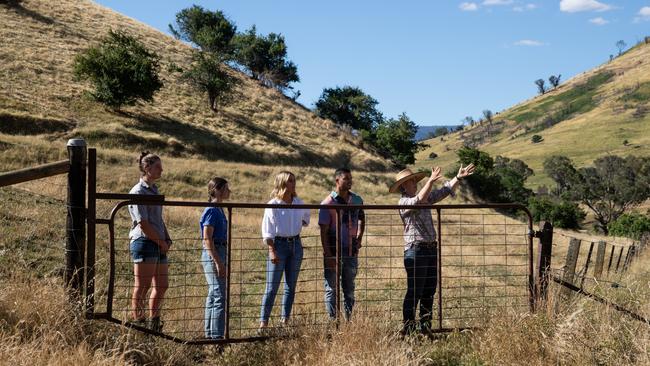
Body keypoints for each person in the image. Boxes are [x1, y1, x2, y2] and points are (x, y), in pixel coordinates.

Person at [389, 164, 475, 336]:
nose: (414, 183)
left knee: (429, 290)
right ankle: (409, 328)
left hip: (429, 249)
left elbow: (442, 192)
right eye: (411, 181)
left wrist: (457, 178)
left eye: (414, 180)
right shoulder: (403, 202)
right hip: (416, 249)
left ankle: (425, 328)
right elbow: (418, 201)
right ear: (404, 186)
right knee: (415, 291)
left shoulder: (425, 197)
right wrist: (430, 181)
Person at [259, 171, 310, 331]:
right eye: (289, 181)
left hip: (296, 244)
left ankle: (284, 321)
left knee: (290, 285)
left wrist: (297, 223)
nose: (293, 184)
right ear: (282, 183)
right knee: (272, 286)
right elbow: (267, 230)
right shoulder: (273, 204)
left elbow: (306, 219)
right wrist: (271, 250)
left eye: (294, 180)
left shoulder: (299, 203)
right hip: (279, 245)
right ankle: (263, 323)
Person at [127, 151, 172, 332]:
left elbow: (157, 220)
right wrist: (161, 241)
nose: (161, 170)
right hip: (145, 242)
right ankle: (139, 324)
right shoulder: (138, 191)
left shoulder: (154, 190)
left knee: (162, 285)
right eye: (157, 167)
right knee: (143, 286)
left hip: (158, 241)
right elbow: (143, 223)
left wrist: (165, 238)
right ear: (147, 168)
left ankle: (154, 323)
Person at [319, 168, 365, 320]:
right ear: (337, 181)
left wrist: (359, 238)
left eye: (350, 178)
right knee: (332, 289)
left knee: (349, 287)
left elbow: (362, 218)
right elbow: (323, 233)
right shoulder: (327, 203)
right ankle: (334, 321)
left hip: (351, 252)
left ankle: (349, 320)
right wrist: (328, 255)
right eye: (346, 178)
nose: (350, 181)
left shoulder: (357, 200)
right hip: (333, 251)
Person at [199, 177, 231, 339]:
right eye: (226, 188)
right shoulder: (212, 210)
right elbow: (207, 237)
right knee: (219, 295)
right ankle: (217, 338)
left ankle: (210, 335)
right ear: (217, 190)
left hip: (218, 251)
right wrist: (218, 262)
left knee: (214, 294)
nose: (229, 191)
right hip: (214, 252)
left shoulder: (218, 208)